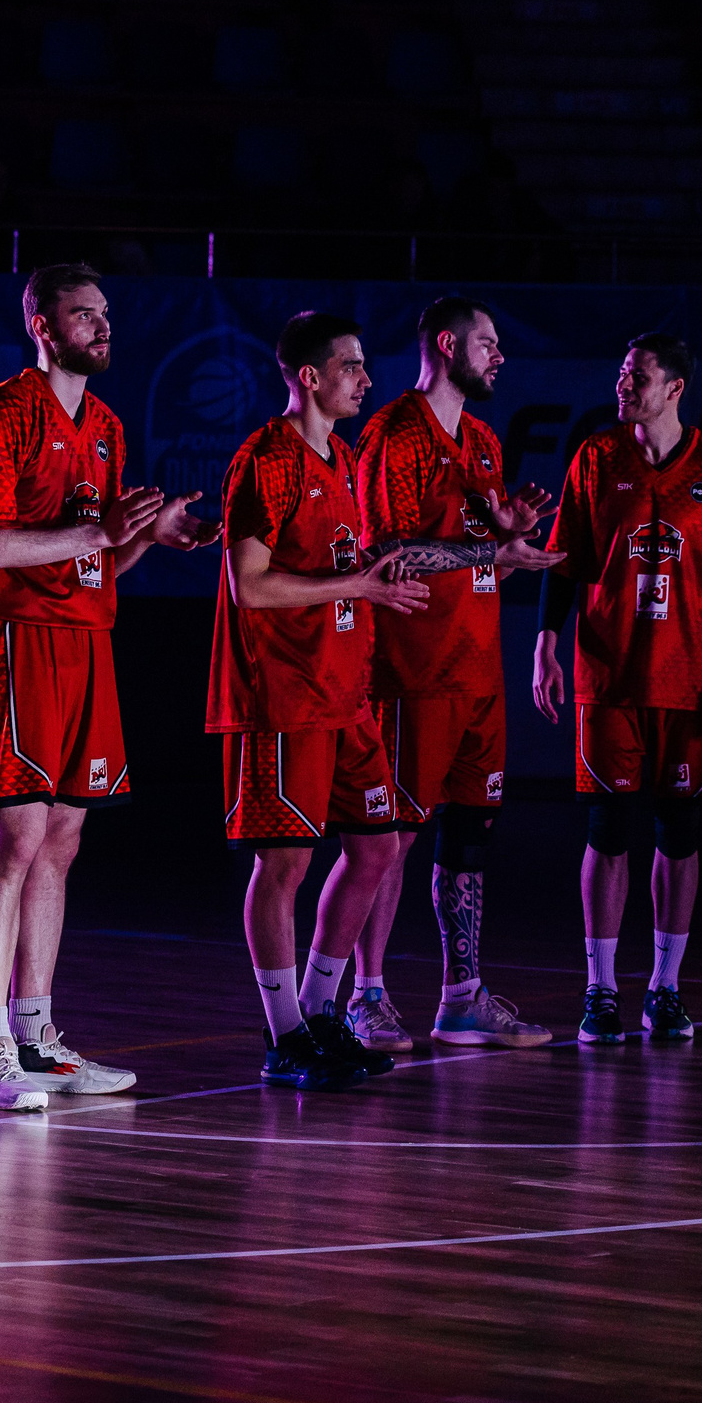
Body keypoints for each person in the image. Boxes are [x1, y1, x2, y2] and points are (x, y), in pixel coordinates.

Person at [0, 264, 218, 1110]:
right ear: (42, 322)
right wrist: (97, 529)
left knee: (64, 839)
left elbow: (96, 549)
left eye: (106, 313)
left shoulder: (104, 423)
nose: (103, 327)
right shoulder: (5, 409)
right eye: (84, 314)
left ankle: (37, 1036)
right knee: (17, 837)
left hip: (87, 637)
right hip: (15, 639)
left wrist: (151, 535)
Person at [208, 312, 430, 1089]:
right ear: (309, 376)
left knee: (378, 845)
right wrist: (357, 584)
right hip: (283, 692)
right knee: (286, 864)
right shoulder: (265, 460)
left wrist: (387, 571)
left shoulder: (341, 457)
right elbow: (252, 584)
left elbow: (343, 562)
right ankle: (285, 1035)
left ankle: (319, 1010)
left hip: (345, 691)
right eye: (351, 366)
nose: (366, 379)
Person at [532, 332, 702, 1043]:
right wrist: (547, 641)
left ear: (675, 388)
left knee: (680, 831)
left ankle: (665, 986)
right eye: (621, 373)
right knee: (606, 830)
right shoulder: (598, 459)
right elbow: (563, 559)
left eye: (639, 375)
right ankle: (600, 988)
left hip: (690, 676)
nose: (624, 384)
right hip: (608, 676)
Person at [345, 296, 563, 1053]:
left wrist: (509, 541)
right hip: (414, 669)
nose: (500, 355)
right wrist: (487, 552)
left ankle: (462, 995)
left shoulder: (480, 439)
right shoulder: (393, 434)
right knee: (390, 837)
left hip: (478, 668)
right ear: (447, 344)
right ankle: (363, 995)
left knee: (468, 837)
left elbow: (474, 554)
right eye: (488, 342)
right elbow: (389, 554)